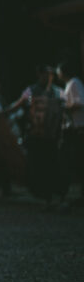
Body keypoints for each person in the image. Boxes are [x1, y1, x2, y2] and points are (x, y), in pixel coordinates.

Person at [4, 65, 66, 208]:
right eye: (45, 74)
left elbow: (64, 109)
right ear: (39, 75)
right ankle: (43, 195)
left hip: (51, 135)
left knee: (51, 163)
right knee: (38, 164)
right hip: (35, 133)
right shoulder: (31, 91)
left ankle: (52, 194)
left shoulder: (58, 92)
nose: (48, 77)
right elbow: (19, 104)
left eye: (50, 75)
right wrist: (4, 114)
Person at [57, 60, 84, 205]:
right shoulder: (69, 84)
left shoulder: (74, 83)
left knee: (78, 160)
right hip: (72, 127)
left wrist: (65, 108)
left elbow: (79, 102)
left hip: (78, 127)